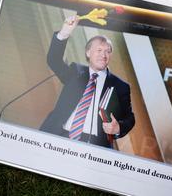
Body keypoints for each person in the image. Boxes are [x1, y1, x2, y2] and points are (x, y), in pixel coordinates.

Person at [40, 15, 135, 148]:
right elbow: (53, 60)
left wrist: (118, 128)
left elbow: (129, 118)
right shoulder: (75, 72)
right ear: (88, 52)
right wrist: (64, 33)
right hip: (58, 135)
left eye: (108, 51)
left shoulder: (120, 86)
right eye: (99, 50)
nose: (104, 55)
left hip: (94, 145)